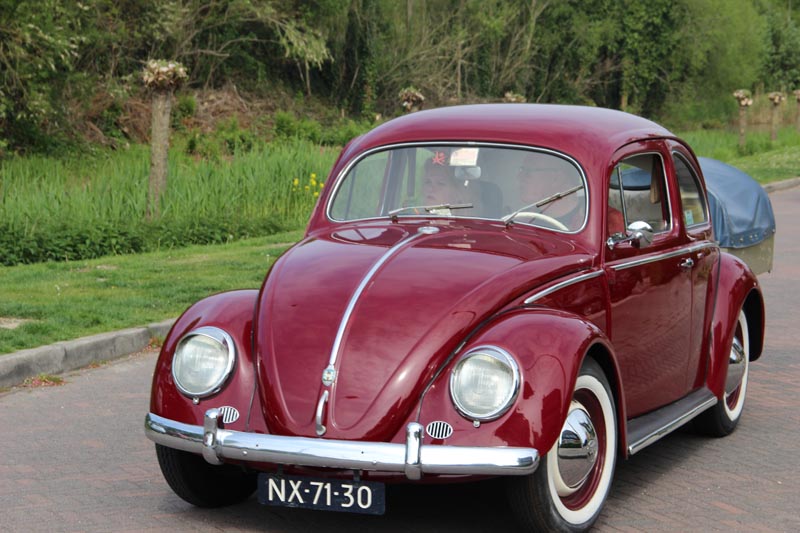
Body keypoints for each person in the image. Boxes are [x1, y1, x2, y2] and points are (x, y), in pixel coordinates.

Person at [515, 153, 585, 230]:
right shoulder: (521, 220)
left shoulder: (586, 224)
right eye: (522, 170)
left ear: (557, 178)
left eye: (528, 172)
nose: (519, 176)